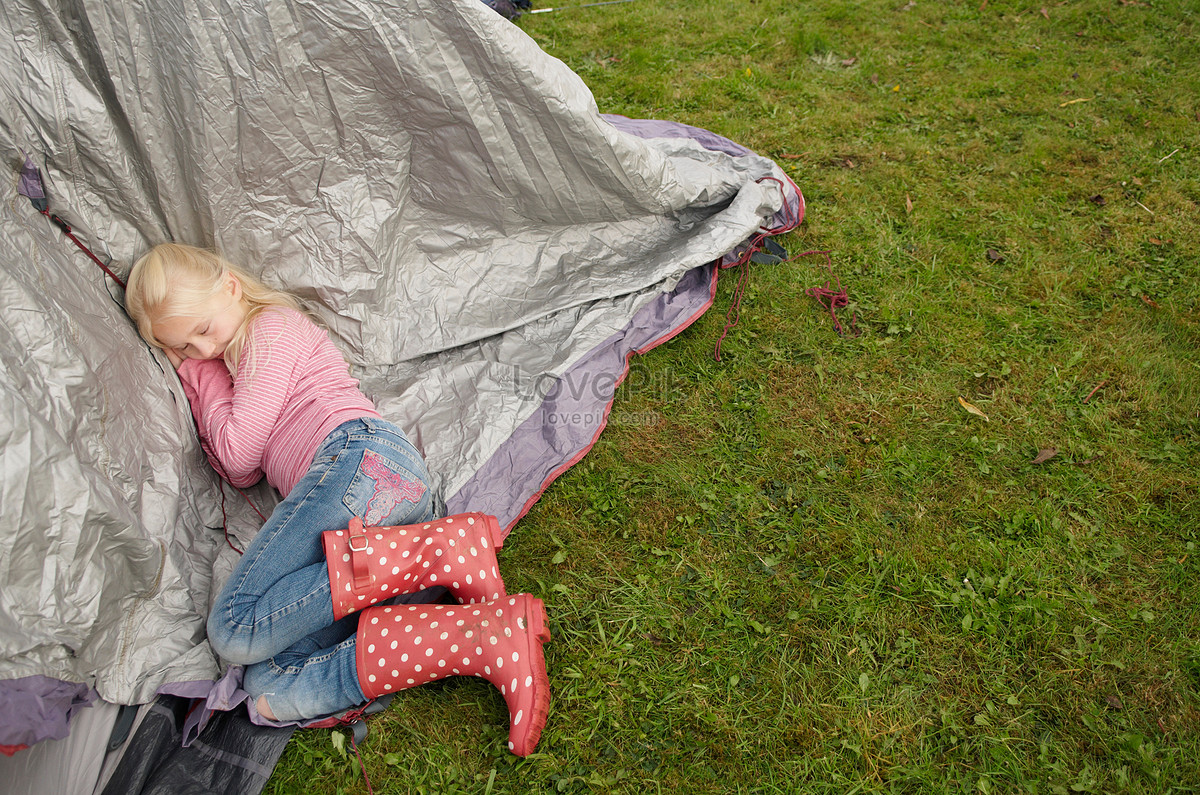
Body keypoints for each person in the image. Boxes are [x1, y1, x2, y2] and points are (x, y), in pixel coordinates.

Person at [125, 243, 551, 756]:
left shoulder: (269, 330)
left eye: (202, 329)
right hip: (372, 518)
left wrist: (197, 376)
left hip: (363, 464)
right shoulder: (238, 357)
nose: (201, 350)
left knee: (234, 627)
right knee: (268, 682)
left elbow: (238, 458)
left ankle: (434, 553)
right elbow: (241, 466)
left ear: (231, 288)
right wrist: (209, 366)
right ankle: (480, 637)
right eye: (184, 349)